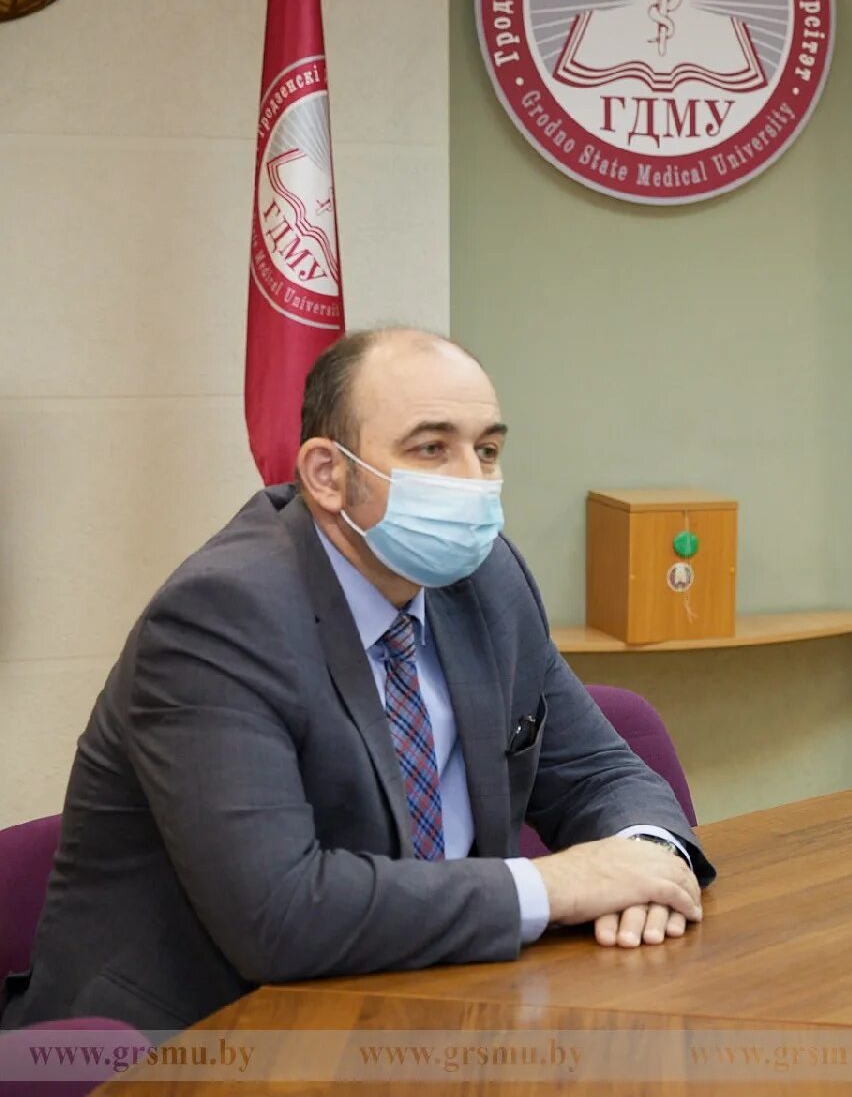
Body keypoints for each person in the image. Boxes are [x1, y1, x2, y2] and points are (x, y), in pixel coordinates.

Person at [2, 329, 713, 1032]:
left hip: (426, 1012)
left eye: (487, 449)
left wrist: (645, 862)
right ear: (325, 474)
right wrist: (553, 884)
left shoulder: (487, 579)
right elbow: (277, 914)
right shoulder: (219, 619)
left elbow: (598, 770)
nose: (473, 481)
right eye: (431, 448)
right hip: (187, 1040)